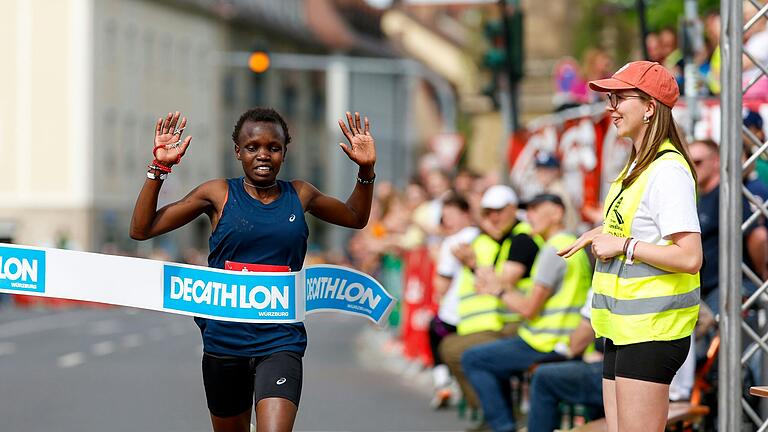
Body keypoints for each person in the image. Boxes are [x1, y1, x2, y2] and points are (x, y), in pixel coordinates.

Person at [130, 108, 377, 432]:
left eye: (273, 148)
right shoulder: (217, 194)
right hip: (224, 341)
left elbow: (355, 217)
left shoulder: (300, 194)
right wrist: (159, 168)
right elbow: (141, 229)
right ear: (238, 151)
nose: (263, 155)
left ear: (284, 152)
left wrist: (366, 170)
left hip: (280, 339)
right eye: (252, 147)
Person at [559, 61, 702, 432]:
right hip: (625, 329)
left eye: (621, 97)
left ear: (651, 107)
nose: (611, 106)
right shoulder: (639, 165)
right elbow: (632, 230)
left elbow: (689, 257)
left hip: (653, 331)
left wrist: (623, 245)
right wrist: (599, 234)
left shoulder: (667, 171)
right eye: (610, 97)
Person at [461, 193, 592, 432]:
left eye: (535, 208)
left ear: (557, 212)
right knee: (488, 358)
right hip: (564, 339)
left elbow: (529, 309)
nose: (528, 215)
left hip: (546, 342)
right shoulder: (571, 244)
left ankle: (503, 426)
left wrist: (498, 292)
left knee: (473, 359)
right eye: (527, 209)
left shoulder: (554, 250)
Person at [438, 185, 539, 424]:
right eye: (488, 212)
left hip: (520, 324)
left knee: (462, 353)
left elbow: (502, 282)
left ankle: (501, 420)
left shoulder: (522, 239)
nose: (494, 217)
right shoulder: (499, 239)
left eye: (499, 211)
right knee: (453, 347)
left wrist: (473, 265)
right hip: (504, 323)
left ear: (513, 209)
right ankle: (496, 415)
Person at [429, 193, 480, 409]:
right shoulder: (481, 236)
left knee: (435, 332)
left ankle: (443, 383)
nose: (447, 220)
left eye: (451, 214)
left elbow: (442, 282)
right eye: (444, 215)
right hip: (481, 311)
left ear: (465, 214)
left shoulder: (453, 242)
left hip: (455, 312)